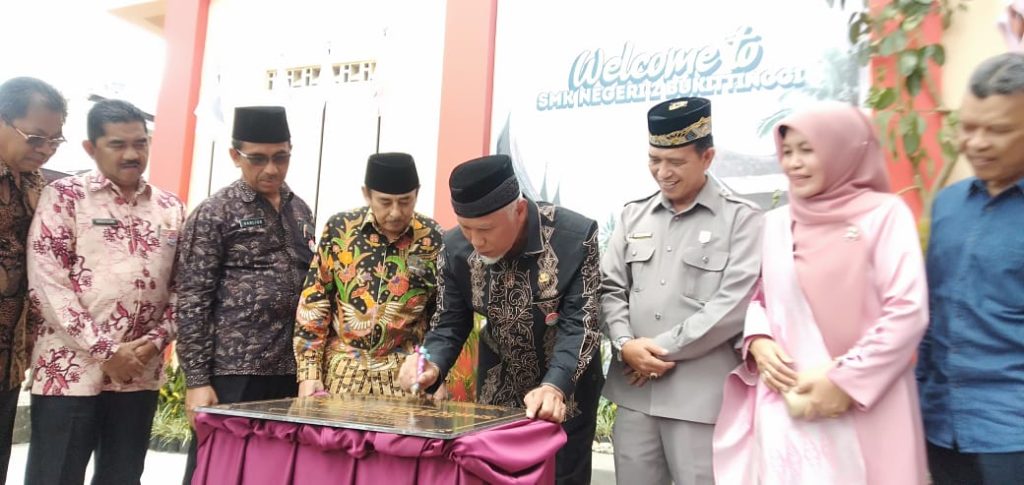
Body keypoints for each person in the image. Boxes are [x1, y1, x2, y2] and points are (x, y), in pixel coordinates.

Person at [713, 102, 929, 484]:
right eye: (787, 152)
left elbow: (907, 311)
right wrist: (758, 341)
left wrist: (845, 379)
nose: (794, 163)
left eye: (807, 150)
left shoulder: (884, 215)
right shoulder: (777, 223)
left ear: (842, 150)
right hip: (788, 403)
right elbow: (762, 296)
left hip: (864, 401)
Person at [398, 154, 603, 484]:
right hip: (499, 388)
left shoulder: (574, 237)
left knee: (562, 477)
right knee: (494, 477)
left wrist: (555, 386)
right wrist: (430, 365)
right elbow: (449, 322)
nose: (476, 242)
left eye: (485, 229)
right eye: (466, 228)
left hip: (565, 391)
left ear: (519, 210)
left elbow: (581, 325)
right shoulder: (454, 247)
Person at [600, 96, 762, 485]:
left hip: (699, 402)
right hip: (635, 398)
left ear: (707, 158)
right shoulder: (633, 215)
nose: (663, 172)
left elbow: (732, 306)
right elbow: (609, 288)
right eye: (654, 160)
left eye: (675, 162)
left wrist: (653, 351)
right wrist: (624, 344)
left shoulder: (742, 219)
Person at [24, 99, 183, 484]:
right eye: (117, 144)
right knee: (55, 476)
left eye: (140, 143)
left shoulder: (170, 208)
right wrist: (106, 351)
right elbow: (47, 285)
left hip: (139, 373)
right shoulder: (64, 197)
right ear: (91, 148)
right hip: (70, 371)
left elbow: (186, 288)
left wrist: (153, 344)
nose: (132, 154)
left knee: (122, 476)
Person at [176, 106, 315, 484]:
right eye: (258, 158)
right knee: (216, 470)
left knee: (274, 471)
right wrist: (197, 381)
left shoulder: (300, 209)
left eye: (280, 157)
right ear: (235, 156)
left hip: (288, 369)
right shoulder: (215, 213)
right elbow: (191, 300)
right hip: (233, 372)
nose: (271, 169)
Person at [917, 52, 1024, 484]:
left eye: (997, 130)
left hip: (1013, 434)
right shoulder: (948, 205)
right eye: (968, 127)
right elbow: (931, 313)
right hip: (941, 425)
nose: (976, 142)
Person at [294, 152, 444, 397]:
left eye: (405, 201)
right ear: (367, 194)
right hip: (342, 376)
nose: (395, 212)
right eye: (385, 202)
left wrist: (437, 373)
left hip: (406, 379)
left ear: (417, 193)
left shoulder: (433, 238)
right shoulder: (340, 230)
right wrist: (309, 373)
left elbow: (443, 314)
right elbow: (315, 300)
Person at [0, 76, 66, 483]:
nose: (45, 150)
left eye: (54, 141)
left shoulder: (40, 186)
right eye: (35, 138)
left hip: (8, 360)